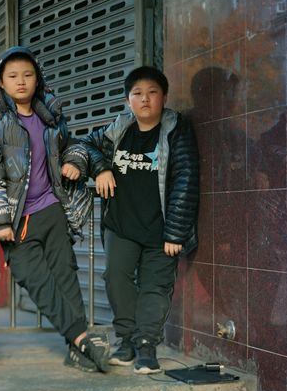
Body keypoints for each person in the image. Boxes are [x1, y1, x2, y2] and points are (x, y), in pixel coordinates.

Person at [0, 46, 109, 373]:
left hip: (52, 209)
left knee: (66, 276)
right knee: (37, 281)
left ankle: (77, 348)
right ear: (0, 82)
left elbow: (71, 146)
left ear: (37, 79)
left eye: (28, 75)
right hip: (18, 218)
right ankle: (82, 338)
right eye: (13, 76)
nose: (21, 81)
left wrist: (75, 162)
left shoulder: (50, 114)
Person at [63, 66, 199, 374]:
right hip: (121, 225)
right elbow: (84, 146)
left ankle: (146, 346)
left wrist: (175, 233)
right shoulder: (119, 129)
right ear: (128, 100)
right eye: (137, 93)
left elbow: (186, 180)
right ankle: (126, 342)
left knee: (155, 286)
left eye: (152, 92)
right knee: (116, 279)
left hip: (161, 228)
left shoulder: (177, 131)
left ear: (164, 96)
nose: (145, 99)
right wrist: (100, 169)